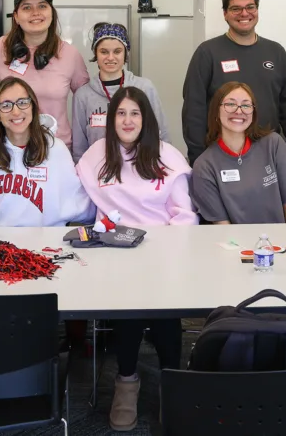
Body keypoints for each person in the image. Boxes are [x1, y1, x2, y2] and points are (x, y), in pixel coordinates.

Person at [75, 86, 196, 431]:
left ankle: (172, 384)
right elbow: (78, 203)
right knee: (127, 307)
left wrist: (166, 256)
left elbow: (184, 214)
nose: (127, 121)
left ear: (146, 119)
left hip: (163, 252)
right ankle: (126, 383)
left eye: (135, 113)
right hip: (115, 254)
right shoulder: (97, 155)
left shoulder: (166, 155)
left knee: (164, 311)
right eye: (121, 113)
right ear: (111, 119)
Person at [181, 0, 286, 165]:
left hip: (268, 152)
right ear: (225, 14)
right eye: (236, 9)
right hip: (221, 152)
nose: (244, 13)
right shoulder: (207, 52)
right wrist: (198, 157)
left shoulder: (276, 52)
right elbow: (193, 109)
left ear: (257, 10)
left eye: (250, 7)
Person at [0, 0, 89, 148]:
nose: (35, 13)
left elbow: (85, 103)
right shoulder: (0, 47)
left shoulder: (70, 54)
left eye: (42, 6)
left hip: (56, 148)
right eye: (27, 7)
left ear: (51, 12)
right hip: (11, 148)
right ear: (16, 16)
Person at [192, 82, 286, 224]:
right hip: (235, 238)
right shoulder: (204, 166)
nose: (239, 111)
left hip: (280, 237)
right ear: (216, 112)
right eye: (230, 104)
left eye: (246, 105)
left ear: (253, 113)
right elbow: (222, 225)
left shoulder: (272, 144)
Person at [0, 77, 93, 226]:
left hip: (46, 237)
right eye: (6, 105)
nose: (16, 112)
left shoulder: (56, 149)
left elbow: (77, 200)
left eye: (22, 102)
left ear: (33, 107)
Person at [72, 22, 168, 160]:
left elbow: (161, 135)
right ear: (95, 54)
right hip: (97, 170)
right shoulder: (83, 95)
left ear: (125, 53)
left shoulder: (145, 88)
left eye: (117, 51)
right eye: (104, 52)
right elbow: (79, 148)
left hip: (141, 168)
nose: (110, 57)